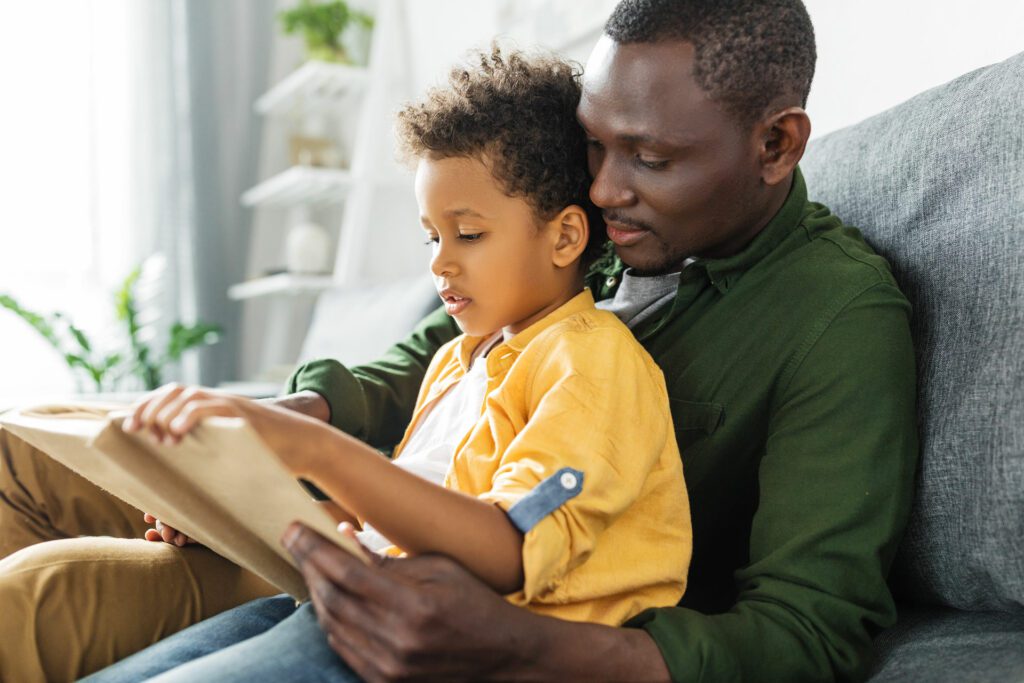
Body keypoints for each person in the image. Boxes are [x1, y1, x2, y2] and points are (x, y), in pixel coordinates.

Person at [0, 0, 918, 681]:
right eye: (594, 147)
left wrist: (523, 643)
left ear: (776, 143)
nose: (600, 190)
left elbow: (808, 632)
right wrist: (271, 435)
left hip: (485, 596)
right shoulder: (592, 241)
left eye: (650, 157)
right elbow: (431, 365)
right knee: (21, 450)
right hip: (358, 536)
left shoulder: (836, 316)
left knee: (41, 601)